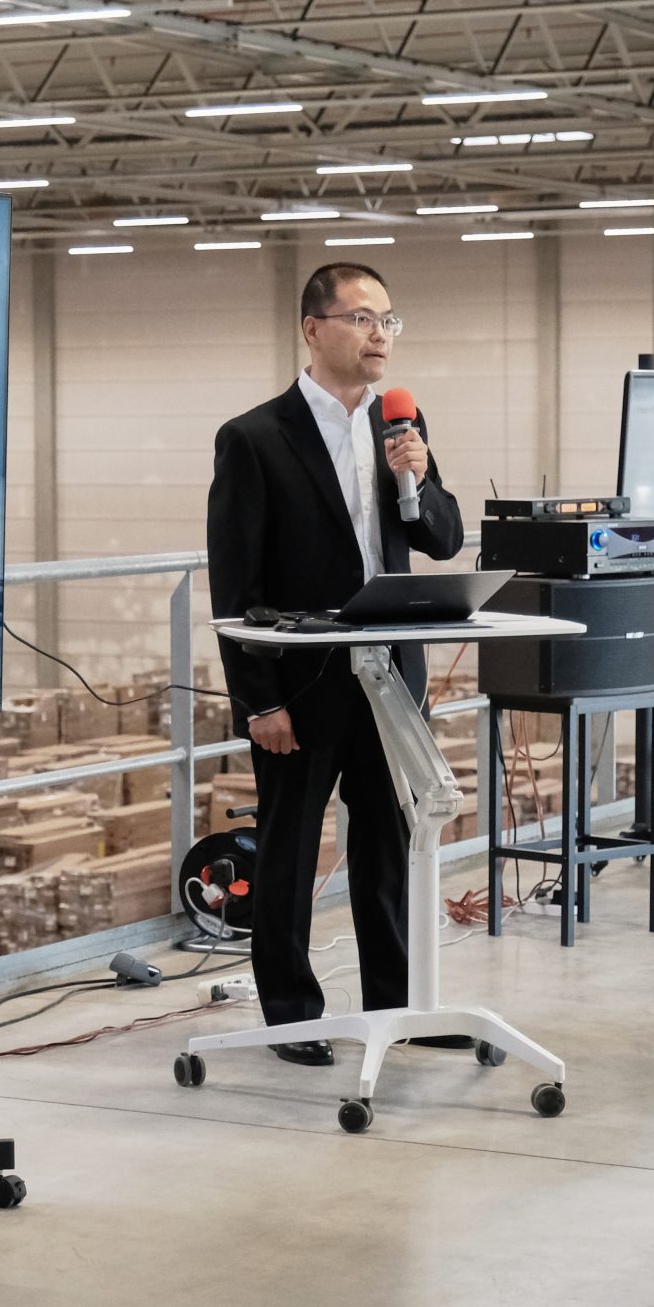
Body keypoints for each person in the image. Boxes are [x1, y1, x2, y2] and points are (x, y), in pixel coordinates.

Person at [205, 262, 466, 1066]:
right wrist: (258, 700)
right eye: (361, 318)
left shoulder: (400, 423)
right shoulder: (254, 438)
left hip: (390, 680)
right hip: (302, 682)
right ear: (314, 329)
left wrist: (414, 481)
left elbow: (444, 539)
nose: (379, 333)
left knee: (387, 847)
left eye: (388, 319)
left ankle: (397, 1006)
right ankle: (292, 1015)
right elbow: (235, 587)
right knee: (289, 851)